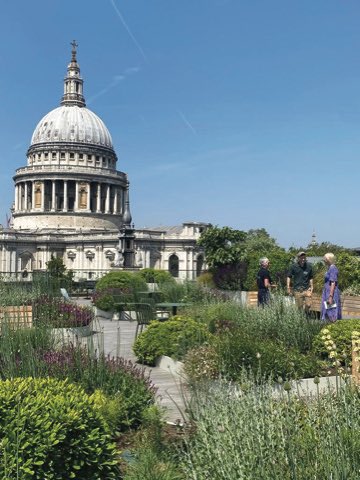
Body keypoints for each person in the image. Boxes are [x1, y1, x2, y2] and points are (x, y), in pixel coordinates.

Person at [287, 251, 313, 316]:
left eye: (304, 257)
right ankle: (302, 319)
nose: (303, 259)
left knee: (308, 304)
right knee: (300, 307)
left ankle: (306, 315)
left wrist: (312, 286)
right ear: (298, 258)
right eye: (301, 258)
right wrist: (288, 287)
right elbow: (289, 277)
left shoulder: (309, 266)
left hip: (307, 289)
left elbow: (311, 277)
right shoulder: (293, 266)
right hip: (297, 290)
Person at [321, 252, 342, 322]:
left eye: (325, 258)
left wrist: (330, 296)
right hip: (327, 292)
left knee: (331, 312)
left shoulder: (333, 268)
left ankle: (332, 328)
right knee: (328, 310)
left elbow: (333, 283)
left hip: (331, 293)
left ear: (328, 259)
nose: (323, 260)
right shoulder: (329, 268)